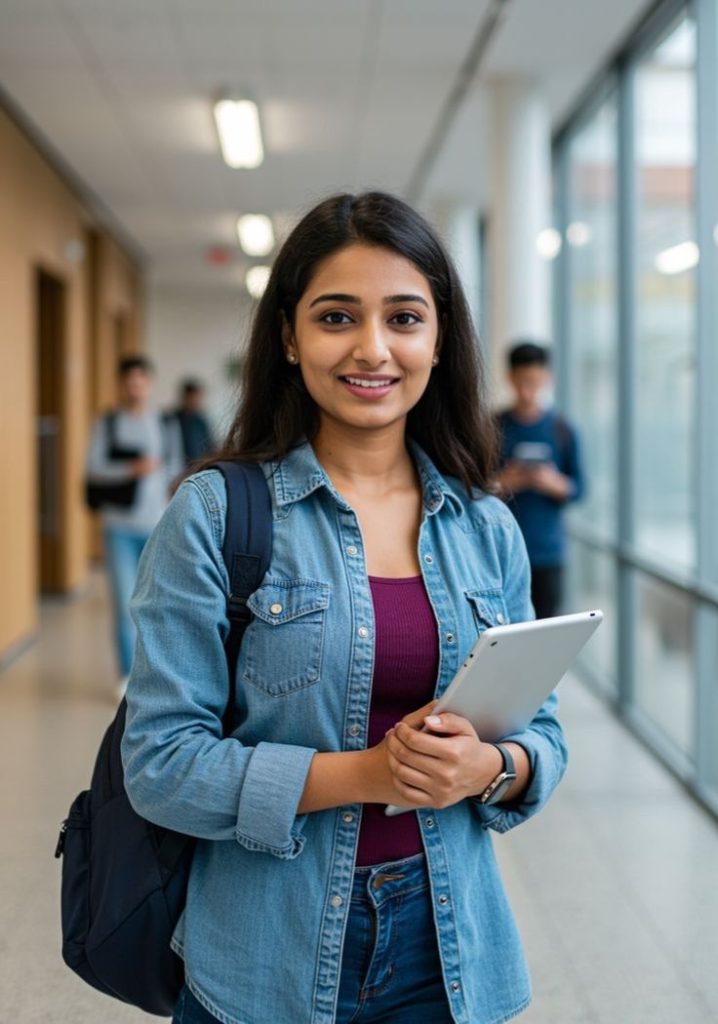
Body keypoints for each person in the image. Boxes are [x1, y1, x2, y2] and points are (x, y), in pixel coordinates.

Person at [121, 193, 568, 1024]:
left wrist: (494, 769)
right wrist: (364, 775)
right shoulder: (217, 515)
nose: (373, 348)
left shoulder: (486, 526)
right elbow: (160, 765)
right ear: (289, 337)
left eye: (404, 317)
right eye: (337, 317)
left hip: (450, 949)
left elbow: (543, 732)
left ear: (438, 339)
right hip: (266, 954)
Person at [85, 355, 184, 691]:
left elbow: (176, 470)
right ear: (121, 384)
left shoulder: (165, 424)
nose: (135, 386)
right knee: (126, 603)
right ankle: (126, 678)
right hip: (118, 527)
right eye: (129, 380)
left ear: (150, 383)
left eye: (141, 379)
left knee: (157, 604)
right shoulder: (108, 422)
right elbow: (93, 469)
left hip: (158, 525)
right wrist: (132, 469)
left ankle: (153, 674)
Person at [495, 342, 584, 619]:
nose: (526, 390)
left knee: (546, 631)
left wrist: (551, 482)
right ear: (510, 378)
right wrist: (505, 482)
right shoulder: (492, 427)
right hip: (500, 551)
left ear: (548, 379)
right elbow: (472, 488)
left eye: (533, 382)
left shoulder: (562, 429)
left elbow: (579, 489)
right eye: (521, 382)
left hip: (547, 553)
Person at [171, 378, 216, 465]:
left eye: (198, 398)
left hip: (198, 466)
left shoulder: (201, 422)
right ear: (185, 397)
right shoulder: (173, 419)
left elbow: (209, 445)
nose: (196, 401)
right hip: (179, 468)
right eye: (193, 398)